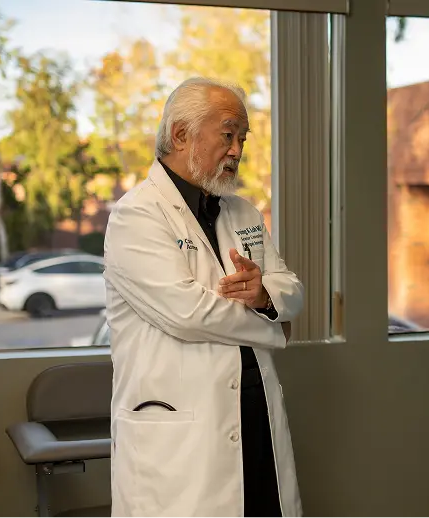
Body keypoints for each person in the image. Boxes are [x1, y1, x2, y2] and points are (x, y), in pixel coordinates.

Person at [103, 77, 304, 518]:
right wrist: (276, 327)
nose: (237, 149)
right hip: (181, 433)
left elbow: (291, 286)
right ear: (180, 134)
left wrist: (266, 294)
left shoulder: (242, 211)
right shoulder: (136, 215)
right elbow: (187, 312)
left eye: (242, 139)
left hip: (253, 413)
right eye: (228, 134)